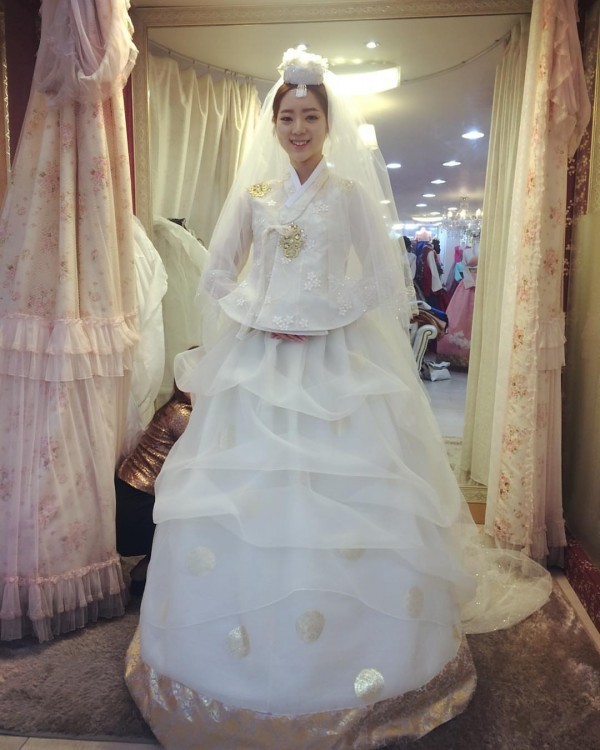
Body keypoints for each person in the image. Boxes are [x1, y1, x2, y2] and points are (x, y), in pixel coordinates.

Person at [125, 49, 551, 749]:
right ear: (274, 124)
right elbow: (217, 275)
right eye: (288, 117)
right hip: (263, 359)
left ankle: (366, 659)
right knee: (252, 494)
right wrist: (262, 311)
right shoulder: (255, 194)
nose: (298, 128)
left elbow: (384, 279)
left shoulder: (348, 193)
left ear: (328, 123)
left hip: (333, 359)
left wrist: (323, 312)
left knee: (352, 489)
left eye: (310, 117)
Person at [115, 382, 192, 593]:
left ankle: (144, 574)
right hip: (137, 505)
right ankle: (145, 576)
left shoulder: (175, 408)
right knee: (191, 521)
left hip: (132, 496)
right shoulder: (182, 414)